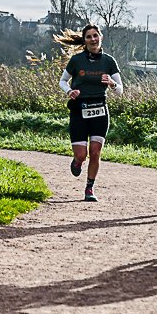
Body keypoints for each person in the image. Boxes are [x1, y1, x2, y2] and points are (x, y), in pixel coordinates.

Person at [56, 24, 124, 202]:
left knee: (95, 152)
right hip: (79, 110)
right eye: (89, 37)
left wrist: (112, 83)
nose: (93, 39)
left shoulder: (109, 61)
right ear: (84, 40)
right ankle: (77, 161)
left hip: (100, 111)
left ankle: (89, 188)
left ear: (101, 37)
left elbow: (120, 90)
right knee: (81, 154)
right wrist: (69, 91)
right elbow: (63, 81)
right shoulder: (76, 60)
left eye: (95, 35)